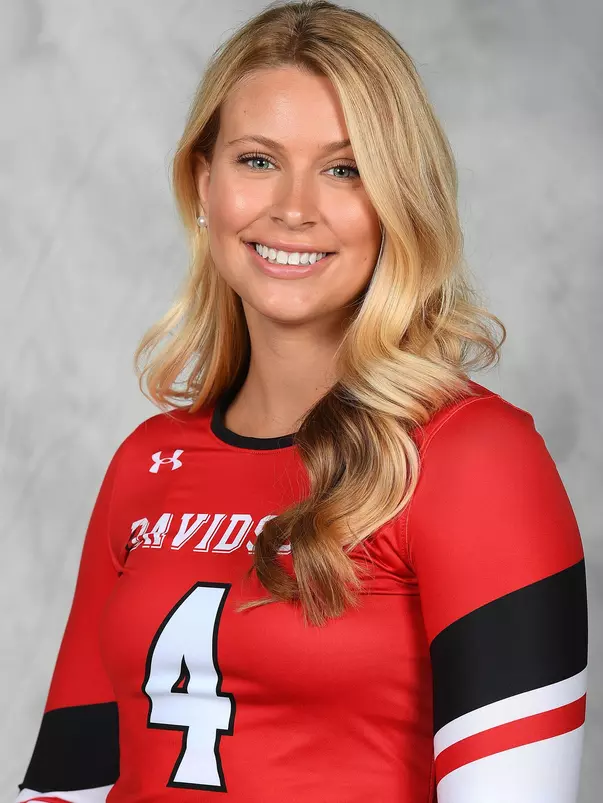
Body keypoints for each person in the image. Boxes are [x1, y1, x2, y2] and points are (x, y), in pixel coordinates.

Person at [16, 1, 587, 802]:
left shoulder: (475, 456)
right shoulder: (146, 461)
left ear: (400, 199)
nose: (293, 206)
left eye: (344, 168)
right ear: (202, 182)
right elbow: (68, 785)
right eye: (257, 160)